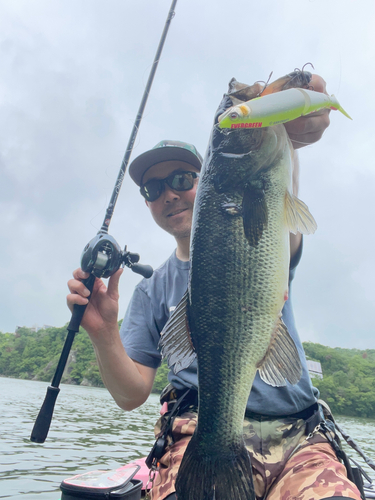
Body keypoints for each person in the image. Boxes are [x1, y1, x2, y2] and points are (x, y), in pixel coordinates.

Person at [67, 75, 362, 500]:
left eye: (183, 180)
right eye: (154, 188)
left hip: (298, 433)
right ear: (148, 202)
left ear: (206, 181)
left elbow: (307, 99)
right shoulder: (151, 291)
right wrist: (102, 332)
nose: (169, 194)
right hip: (199, 434)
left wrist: (291, 101)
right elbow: (132, 395)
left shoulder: (267, 212)